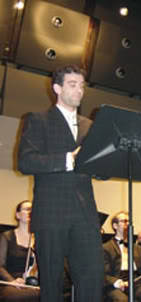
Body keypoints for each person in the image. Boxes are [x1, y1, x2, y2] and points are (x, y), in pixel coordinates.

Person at [17, 65, 104, 301]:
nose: (79, 90)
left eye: (82, 86)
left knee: (93, 279)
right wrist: (68, 159)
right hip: (51, 212)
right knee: (51, 284)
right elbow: (25, 161)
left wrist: (107, 163)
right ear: (57, 88)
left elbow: (97, 166)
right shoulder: (38, 120)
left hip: (85, 214)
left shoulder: (91, 126)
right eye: (72, 84)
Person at [0, 200, 40, 301]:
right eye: (27, 209)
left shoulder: (40, 239)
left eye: (32, 210)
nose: (30, 212)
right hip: (11, 283)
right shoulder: (7, 237)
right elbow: (0, 265)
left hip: (33, 283)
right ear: (17, 215)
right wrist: (12, 281)